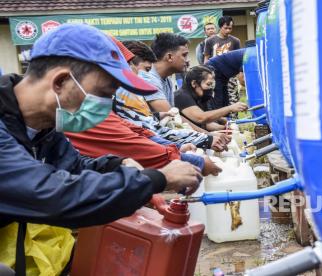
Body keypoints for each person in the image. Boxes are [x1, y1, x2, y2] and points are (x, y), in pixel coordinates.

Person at [0, 24, 201, 275]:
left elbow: (73, 167)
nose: (105, 108)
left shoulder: (43, 128)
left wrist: (116, 166)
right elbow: (51, 195)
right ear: (61, 81)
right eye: (103, 94)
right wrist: (158, 178)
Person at [66, 38, 221, 176]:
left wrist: (175, 148)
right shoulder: (80, 111)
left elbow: (135, 130)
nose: (117, 91)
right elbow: (128, 142)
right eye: (111, 83)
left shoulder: (88, 106)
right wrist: (182, 158)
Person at [114, 37, 231, 149]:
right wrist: (205, 138)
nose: (187, 60)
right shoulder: (134, 85)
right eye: (184, 55)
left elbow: (144, 123)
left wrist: (158, 116)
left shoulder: (167, 81)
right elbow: (150, 129)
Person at [175, 65, 247, 131]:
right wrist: (230, 108)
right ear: (194, 83)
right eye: (208, 84)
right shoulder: (181, 96)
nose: (210, 88)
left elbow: (206, 124)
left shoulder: (199, 97)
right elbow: (201, 118)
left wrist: (225, 127)